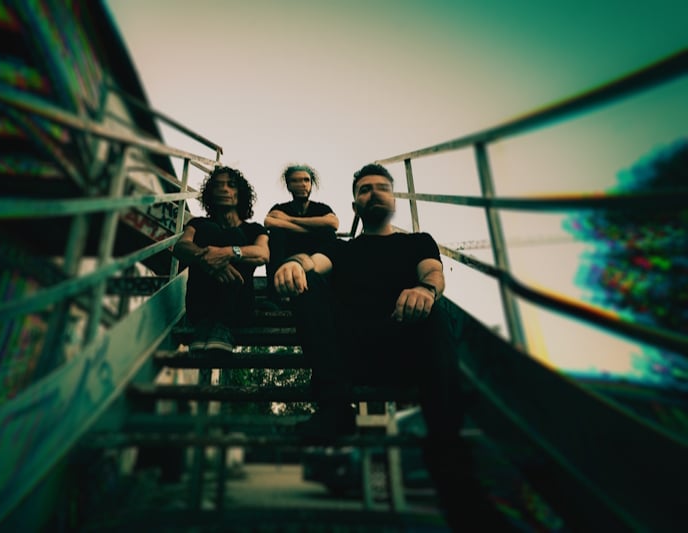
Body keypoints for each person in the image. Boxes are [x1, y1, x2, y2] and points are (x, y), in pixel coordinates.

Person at [273, 163, 511, 531]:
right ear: (354, 205)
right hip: (349, 355)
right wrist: (293, 264)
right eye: (365, 189)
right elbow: (313, 261)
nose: (373, 193)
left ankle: (446, 450)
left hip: (404, 349)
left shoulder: (417, 242)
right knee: (307, 284)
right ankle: (335, 407)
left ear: (394, 199)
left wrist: (425, 290)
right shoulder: (340, 249)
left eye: (381, 187)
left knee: (436, 312)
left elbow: (433, 273)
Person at [173, 166, 269, 352]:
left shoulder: (254, 229)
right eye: (218, 185)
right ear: (211, 193)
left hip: (238, 310)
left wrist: (227, 253)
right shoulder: (198, 224)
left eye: (230, 185)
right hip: (199, 309)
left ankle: (222, 325)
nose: (224, 189)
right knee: (208, 230)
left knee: (235, 235)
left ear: (240, 194)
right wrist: (207, 259)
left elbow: (263, 254)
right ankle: (205, 325)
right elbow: (181, 247)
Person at [263, 164, 338, 307]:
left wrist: (289, 219)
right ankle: (275, 293)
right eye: (295, 181)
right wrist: (313, 228)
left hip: (317, 260)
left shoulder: (321, 208)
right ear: (288, 186)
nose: (302, 184)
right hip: (287, 257)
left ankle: (328, 290)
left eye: (306, 180)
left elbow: (333, 223)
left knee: (328, 233)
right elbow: (269, 222)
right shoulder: (280, 208)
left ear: (311, 184)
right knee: (276, 234)